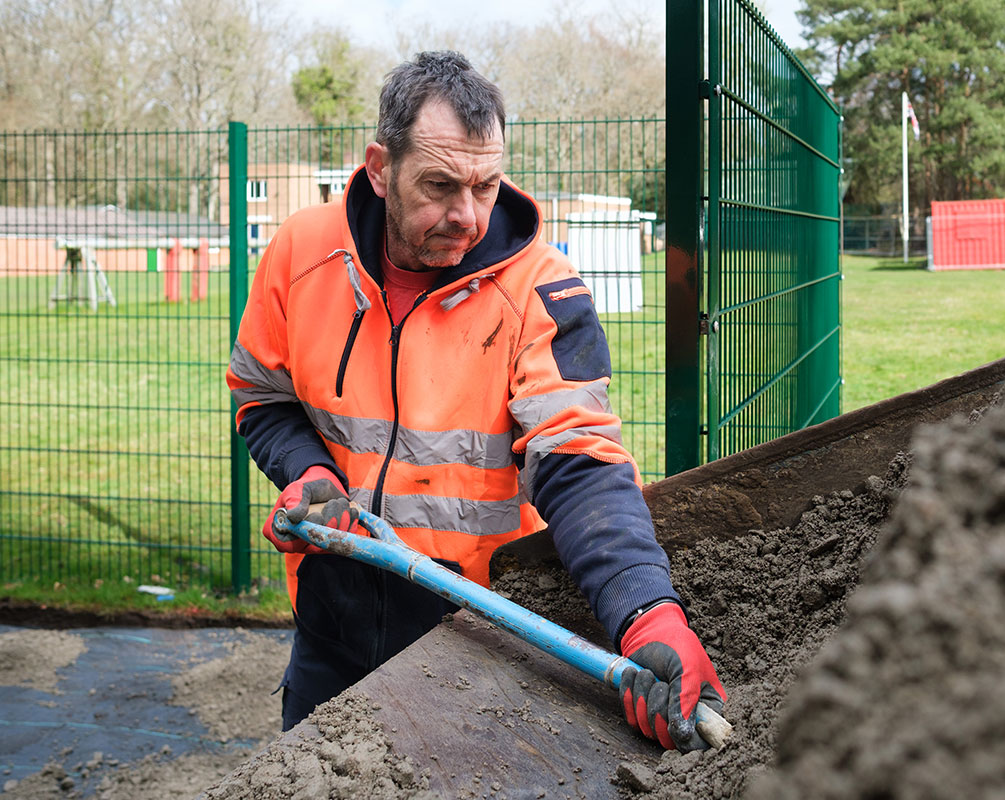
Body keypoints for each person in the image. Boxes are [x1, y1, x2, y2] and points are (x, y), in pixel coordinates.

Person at [226, 50, 724, 751]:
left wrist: (647, 613)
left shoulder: (541, 293)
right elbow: (263, 397)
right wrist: (310, 473)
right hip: (329, 628)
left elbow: (580, 463)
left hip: (475, 636)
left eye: (486, 186)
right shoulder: (301, 254)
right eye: (439, 185)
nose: (466, 215)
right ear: (379, 168)